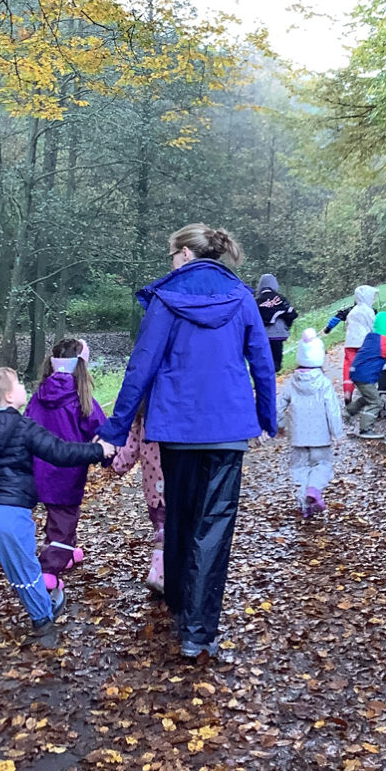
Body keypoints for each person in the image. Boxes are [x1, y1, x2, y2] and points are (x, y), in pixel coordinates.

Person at [96, 223, 276, 660]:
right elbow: (262, 362)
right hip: (228, 429)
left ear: (187, 255)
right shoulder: (242, 298)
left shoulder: (166, 300)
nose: (170, 263)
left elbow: (140, 367)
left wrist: (115, 432)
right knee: (214, 525)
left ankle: (180, 605)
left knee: (179, 516)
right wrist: (266, 416)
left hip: (176, 429)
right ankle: (198, 631)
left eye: (171, 254)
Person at [0, 367, 114, 668]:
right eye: (19, 383)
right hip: (10, 511)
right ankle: (42, 615)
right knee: (24, 568)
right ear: (10, 396)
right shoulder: (24, 427)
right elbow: (60, 452)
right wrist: (97, 450)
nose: (25, 387)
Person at [24, 338, 106, 591]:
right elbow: (100, 430)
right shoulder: (81, 400)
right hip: (67, 473)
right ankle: (49, 569)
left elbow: (26, 426)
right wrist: (108, 456)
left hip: (38, 469)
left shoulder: (37, 397)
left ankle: (67, 553)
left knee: (58, 515)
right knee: (64, 520)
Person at [276, 328, 343, 518]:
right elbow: (332, 410)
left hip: (298, 437)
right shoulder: (323, 383)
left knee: (300, 470)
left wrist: (280, 425)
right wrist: (337, 433)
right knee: (321, 465)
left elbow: (279, 405)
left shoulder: (291, 382)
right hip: (320, 436)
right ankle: (314, 489)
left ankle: (304, 506)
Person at [111, 406, 166, 594]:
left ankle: (159, 571)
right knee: (177, 529)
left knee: (161, 527)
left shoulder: (142, 414)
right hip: (178, 483)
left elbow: (131, 446)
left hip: (153, 487)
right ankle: (160, 574)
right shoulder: (174, 411)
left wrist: (117, 465)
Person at [322, 285, 377, 404]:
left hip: (350, 343)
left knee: (349, 366)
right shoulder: (371, 311)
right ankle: (368, 392)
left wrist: (328, 329)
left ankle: (347, 392)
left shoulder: (350, 311)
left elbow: (336, 318)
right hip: (365, 344)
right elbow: (375, 327)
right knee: (366, 366)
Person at [255, 273, 298, 373]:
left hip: (262, 336)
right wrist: (287, 326)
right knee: (276, 363)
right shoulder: (279, 299)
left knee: (264, 362)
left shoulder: (256, 301)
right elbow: (292, 313)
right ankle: (273, 377)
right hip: (278, 334)